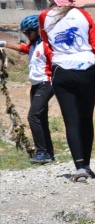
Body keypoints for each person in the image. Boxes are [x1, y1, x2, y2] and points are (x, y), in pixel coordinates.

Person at [38, 0, 95, 182]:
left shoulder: (43, 16)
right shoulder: (84, 15)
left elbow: (47, 47)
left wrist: (52, 71)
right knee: (87, 119)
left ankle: (79, 169)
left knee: (71, 121)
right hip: (86, 70)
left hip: (62, 71)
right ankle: (87, 165)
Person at [0, 15, 55, 164]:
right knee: (41, 119)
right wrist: (4, 43)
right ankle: (49, 153)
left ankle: (42, 152)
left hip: (46, 83)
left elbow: (56, 64)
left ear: (38, 30)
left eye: (29, 32)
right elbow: (22, 48)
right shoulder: (32, 45)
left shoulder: (46, 45)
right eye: (24, 33)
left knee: (33, 116)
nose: (27, 35)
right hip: (36, 85)